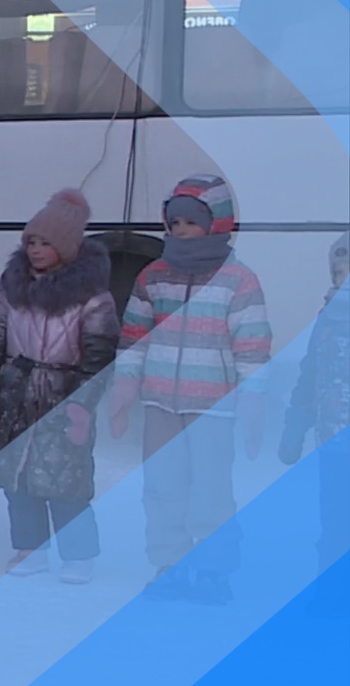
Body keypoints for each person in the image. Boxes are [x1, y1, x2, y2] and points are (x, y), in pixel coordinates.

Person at [110, 173, 271, 606]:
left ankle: (215, 571)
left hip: (213, 407)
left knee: (211, 491)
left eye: (191, 223)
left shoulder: (238, 279)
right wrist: (125, 388)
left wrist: (253, 400)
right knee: (162, 487)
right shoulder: (154, 275)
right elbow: (133, 336)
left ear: (216, 224)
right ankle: (170, 564)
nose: (180, 232)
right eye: (174, 224)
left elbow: (253, 343)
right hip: (160, 402)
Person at [0, 189, 118, 584]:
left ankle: (79, 554)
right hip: (15, 392)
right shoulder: (12, 288)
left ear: (66, 247)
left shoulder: (92, 298)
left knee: (65, 479)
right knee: (18, 479)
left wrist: (83, 405)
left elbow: (99, 356)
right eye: (31, 241)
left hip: (62, 396)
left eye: (45, 243)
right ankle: (29, 548)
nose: (35, 250)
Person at [280, 232, 348, 609]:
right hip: (334, 441)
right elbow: (310, 374)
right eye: (342, 272)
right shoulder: (326, 319)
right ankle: (334, 593)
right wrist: (296, 423)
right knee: (336, 520)